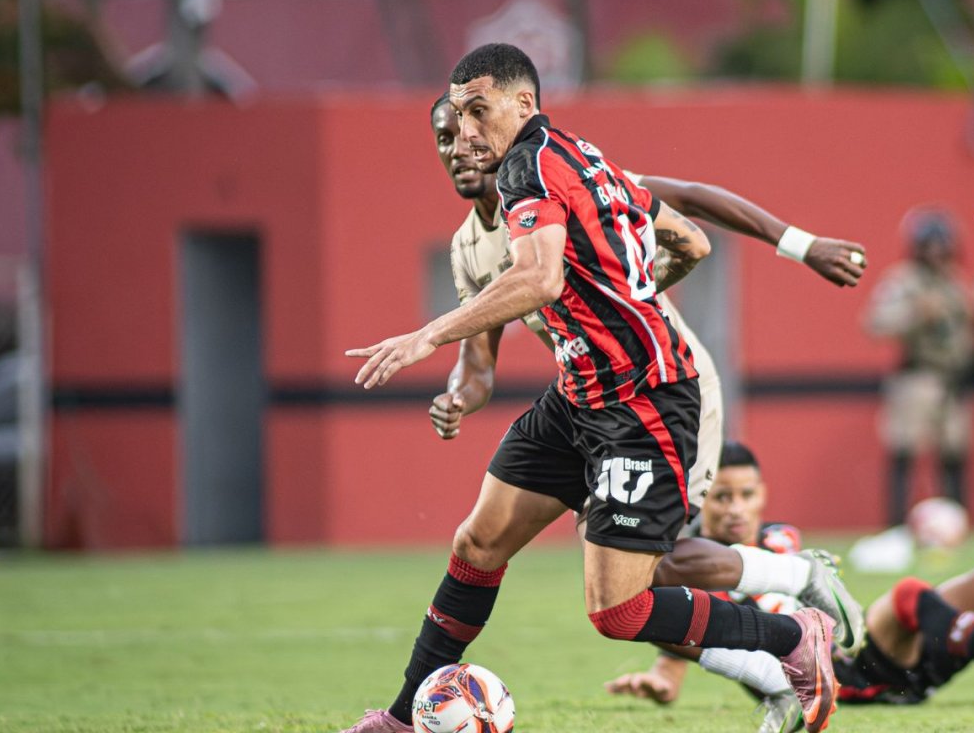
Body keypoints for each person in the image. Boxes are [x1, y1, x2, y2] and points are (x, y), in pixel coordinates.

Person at [342, 44, 839, 733]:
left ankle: (794, 637)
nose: (466, 133)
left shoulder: (527, 169)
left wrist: (428, 336)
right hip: (579, 396)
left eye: (478, 112)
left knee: (621, 611)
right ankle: (401, 719)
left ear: (524, 103)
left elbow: (541, 278)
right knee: (478, 543)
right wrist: (619, 299)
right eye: (457, 118)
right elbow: (688, 241)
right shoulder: (579, 154)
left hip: (644, 404)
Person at [605, 442, 974, 730]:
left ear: (761, 493)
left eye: (745, 494)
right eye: (721, 497)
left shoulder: (780, 538)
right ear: (703, 498)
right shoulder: (695, 560)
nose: (733, 509)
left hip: (873, 649)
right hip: (838, 678)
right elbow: (681, 631)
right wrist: (660, 680)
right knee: (909, 594)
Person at [863, 206, 974, 525]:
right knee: (905, 452)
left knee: (954, 454)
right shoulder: (904, 281)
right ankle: (897, 525)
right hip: (917, 377)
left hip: (953, 380)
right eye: (931, 245)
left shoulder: (955, 281)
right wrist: (917, 314)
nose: (938, 252)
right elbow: (876, 322)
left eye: (944, 245)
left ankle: (957, 524)